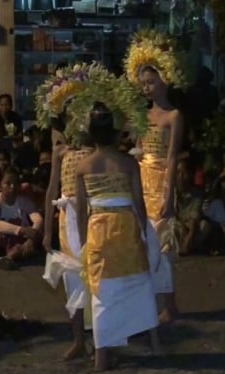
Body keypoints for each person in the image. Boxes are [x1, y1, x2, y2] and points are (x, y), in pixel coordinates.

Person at [75, 101, 160, 371]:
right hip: (125, 226)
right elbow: (139, 203)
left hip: (98, 229)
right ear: (114, 132)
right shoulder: (128, 163)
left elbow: (80, 210)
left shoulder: (83, 166)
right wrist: (145, 232)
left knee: (103, 294)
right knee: (134, 284)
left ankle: (103, 354)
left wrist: (83, 244)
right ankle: (128, 346)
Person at [37, 62, 109, 361]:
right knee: (72, 279)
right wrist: (47, 230)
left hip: (93, 216)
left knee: (97, 275)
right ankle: (79, 339)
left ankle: (102, 340)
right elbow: (52, 190)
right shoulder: (60, 151)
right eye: (69, 112)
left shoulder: (97, 150)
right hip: (68, 221)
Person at [125, 29, 191, 322]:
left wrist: (168, 194)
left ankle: (169, 304)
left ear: (165, 80)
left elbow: (174, 156)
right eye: (143, 84)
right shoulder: (142, 115)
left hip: (161, 181)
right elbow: (137, 149)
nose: (147, 89)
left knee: (162, 245)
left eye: (151, 82)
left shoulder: (175, 116)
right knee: (142, 244)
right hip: (141, 181)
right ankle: (153, 304)